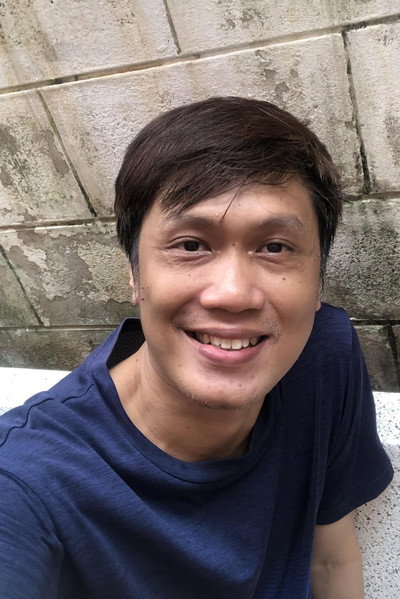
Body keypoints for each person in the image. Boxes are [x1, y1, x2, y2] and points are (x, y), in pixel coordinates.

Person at [0, 96, 393, 599]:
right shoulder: (27, 481)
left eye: (274, 247)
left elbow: (331, 558)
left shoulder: (321, 357)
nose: (232, 293)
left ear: (318, 281)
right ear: (134, 274)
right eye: (190, 245)